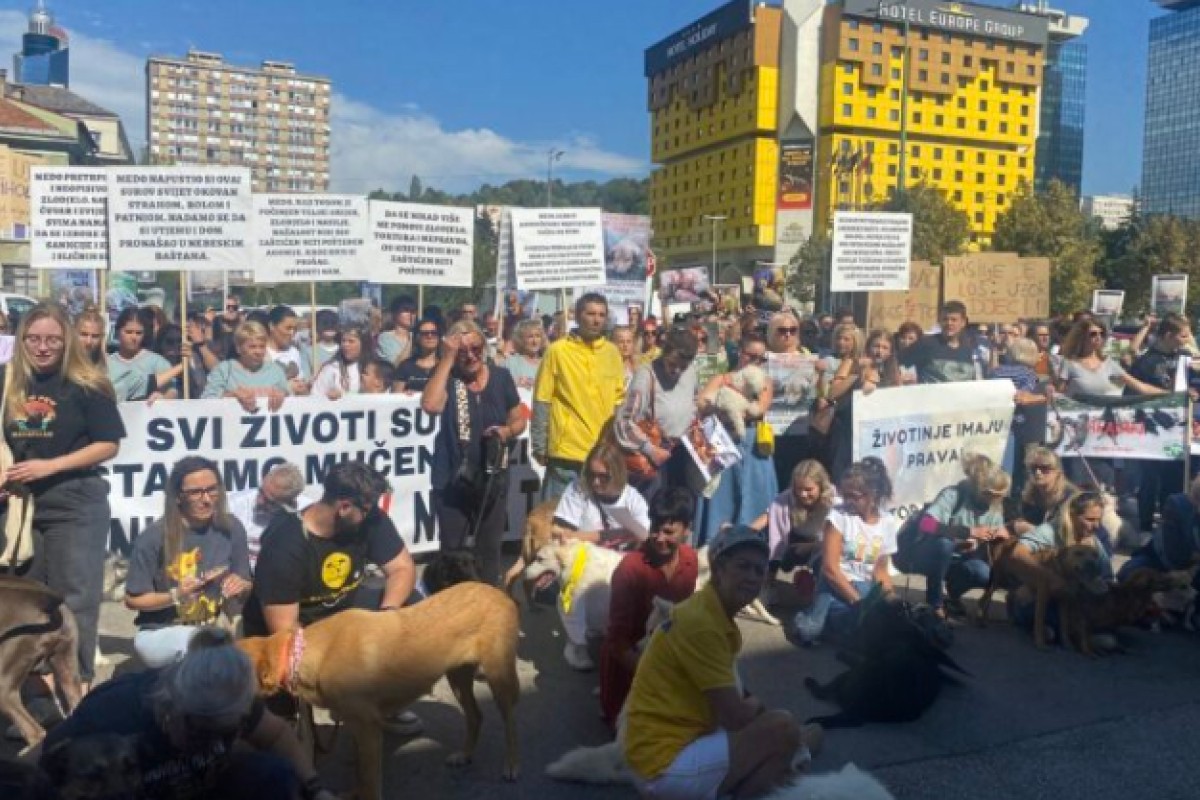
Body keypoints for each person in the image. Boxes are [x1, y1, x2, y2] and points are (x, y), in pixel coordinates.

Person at [623, 525, 820, 800]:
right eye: (743, 567)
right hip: (662, 765)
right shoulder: (703, 624)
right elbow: (736, 716)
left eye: (758, 570)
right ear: (717, 570)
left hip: (660, 747)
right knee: (783, 728)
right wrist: (756, 709)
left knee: (784, 745)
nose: (752, 577)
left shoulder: (708, 610)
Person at [41, 627, 336, 800]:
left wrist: (317, 790)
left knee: (275, 774)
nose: (211, 743)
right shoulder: (112, 711)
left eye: (225, 732)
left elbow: (277, 735)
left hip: (201, 789)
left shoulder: (226, 691)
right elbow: (45, 760)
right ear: (172, 708)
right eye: (202, 732)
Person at [243, 461, 420, 734]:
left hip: (343, 613)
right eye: (368, 506)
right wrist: (341, 664)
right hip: (292, 629)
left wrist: (388, 615)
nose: (374, 512)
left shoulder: (369, 520)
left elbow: (402, 568)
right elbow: (286, 633)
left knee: (412, 607)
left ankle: (384, 703)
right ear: (344, 507)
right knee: (279, 730)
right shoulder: (285, 546)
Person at [2, 302, 125, 690]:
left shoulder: (87, 383)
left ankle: (78, 687)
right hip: (21, 504)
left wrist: (50, 466)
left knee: (75, 599)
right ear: (22, 340)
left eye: (52, 339)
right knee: (24, 599)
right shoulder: (8, 381)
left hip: (75, 500)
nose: (42, 347)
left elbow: (108, 445)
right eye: (34, 339)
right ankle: (33, 691)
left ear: (66, 340)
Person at [422, 320, 524, 586]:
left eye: (475, 348)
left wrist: (507, 432)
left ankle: (487, 610)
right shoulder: (448, 376)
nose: (470, 355)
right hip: (453, 480)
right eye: (462, 351)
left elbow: (519, 419)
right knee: (452, 554)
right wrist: (446, 360)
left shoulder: (501, 377)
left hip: (492, 479)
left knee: (489, 553)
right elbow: (431, 406)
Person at [125, 457, 251, 668]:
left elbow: (246, 582)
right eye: (195, 492)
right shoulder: (153, 537)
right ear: (177, 497)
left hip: (213, 627)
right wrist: (176, 595)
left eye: (212, 490)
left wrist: (242, 585)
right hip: (160, 631)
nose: (207, 499)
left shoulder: (232, 528)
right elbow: (133, 600)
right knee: (205, 648)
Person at [600, 487, 700, 728]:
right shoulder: (630, 569)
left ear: (686, 530)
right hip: (631, 667)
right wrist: (654, 677)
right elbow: (617, 641)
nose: (659, 537)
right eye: (655, 528)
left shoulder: (690, 560)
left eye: (669, 532)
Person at [532, 292, 625, 501]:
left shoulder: (612, 352)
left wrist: (618, 443)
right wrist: (539, 443)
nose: (596, 319)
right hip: (566, 451)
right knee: (556, 518)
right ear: (577, 316)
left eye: (602, 314)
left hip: (602, 451)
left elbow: (620, 401)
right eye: (590, 313)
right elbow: (542, 399)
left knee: (594, 521)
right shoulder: (557, 351)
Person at [1056, 317, 1163, 491]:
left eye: (1101, 334)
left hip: (1104, 432)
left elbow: (1140, 386)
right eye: (1092, 334)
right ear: (1082, 336)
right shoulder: (1069, 364)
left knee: (1104, 483)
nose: (1097, 337)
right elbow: (1058, 395)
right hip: (1078, 434)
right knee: (1078, 483)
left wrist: (1173, 394)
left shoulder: (1109, 364)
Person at [900, 454, 1010, 620]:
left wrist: (999, 534)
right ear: (979, 488)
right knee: (944, 544)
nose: (996, 500)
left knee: (983, 573)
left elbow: (999, 529)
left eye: (1000, 496)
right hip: (926, 555)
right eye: (992, 495)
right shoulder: (953, 495)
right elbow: (926, 525)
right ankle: (934, 603)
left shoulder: (994, 507)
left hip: (959, 559)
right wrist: (968, 532)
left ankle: (953, 595)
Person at [694, 331, 777, 548]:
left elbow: (759, 409)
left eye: (761, 358)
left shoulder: (764, 382)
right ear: (741, 353)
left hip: (752, 442)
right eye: (752, 356)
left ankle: (753, 540)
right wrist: (716, 405)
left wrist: (730, 406)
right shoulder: (722, 378)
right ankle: (714, 539)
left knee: (754, 492)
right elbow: (703, 402)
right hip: (723, 440)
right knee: (722, 493)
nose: (756, 362)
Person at [816, 458, 899, 637]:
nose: (848, 501)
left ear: (873, 494)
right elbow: (830, 568)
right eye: (845, 495)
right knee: (808, 631)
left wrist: (893, 599)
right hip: (836, 582)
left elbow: (880, 571)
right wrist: (859, 603)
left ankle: (838, 619)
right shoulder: (839, 515)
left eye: (854, 496)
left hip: (864, 585)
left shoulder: (887, 522)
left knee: (886, 619)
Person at [614, 326, 699, 499]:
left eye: (683, 367)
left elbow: (692, 403)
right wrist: (649, 449)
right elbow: (624, 422)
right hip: (654, 456)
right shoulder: (646, 375)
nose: (677, 371)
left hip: (682, 454)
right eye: (672, 364)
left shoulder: (690, 372)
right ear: (664, 353)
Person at [1128, 313, 1193, 531]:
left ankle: (1170, 523)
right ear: (1168, 335)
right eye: (1182, 335)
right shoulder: (1146, 362)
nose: (1187, 339)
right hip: (1151, 428)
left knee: (1174, 478)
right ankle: (1146, 525)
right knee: (1150, 479)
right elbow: (1131, 395)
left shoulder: (1184, 356)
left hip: (1177, 428)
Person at [554, 436, 651, 548]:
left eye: (603, 476)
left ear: (617, 473)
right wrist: (616, 534)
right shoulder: (579, 488)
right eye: (592, 474)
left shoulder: (634, 500)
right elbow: (562, 534)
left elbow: (643, 537)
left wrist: (584, 536)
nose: (596, 482)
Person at [761, 460, 836, 603]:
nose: (802, 494)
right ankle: (767, 587)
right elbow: (774, 531)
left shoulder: (835, 502)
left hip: (822, 546)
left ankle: (823, 596)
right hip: (793, 543)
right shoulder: (785, 499)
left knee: (824, 557)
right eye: (798, 489)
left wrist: (812, 547)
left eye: (809, 490)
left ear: (821, 487)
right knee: (765, 542)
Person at [1119, 473, 1200, 596]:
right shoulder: (1177, 504)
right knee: (1129, 575)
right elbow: (1174, 555)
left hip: (1193, 570)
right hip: (1159, 561)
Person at [227, 462, 308, 573]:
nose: (259, 501)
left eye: (269, 501)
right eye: (260, 492)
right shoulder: (234, 505)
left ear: (290, 503)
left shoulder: (306, 514)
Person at [201, 321, 289, 412]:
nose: (258, 352)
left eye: (262, 346)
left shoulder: (275, 371)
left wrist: (282, 396)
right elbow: (206, 401)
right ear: (239, 348)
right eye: (252, 347)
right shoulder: (224, 370)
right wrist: (231, 396)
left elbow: (291, 400)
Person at [900, 300, 981, 384]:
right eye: (945, 319)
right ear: (940, 321)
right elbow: (895, 362)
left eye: (954, 320)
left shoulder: (967, 350)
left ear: (963, 322)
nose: (949, 323)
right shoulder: (926, 344)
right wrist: (901, 378)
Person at [108, 306, 178, 401]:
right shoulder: (106, 363)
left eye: (138, 333)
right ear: (118, 332)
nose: (134, 337)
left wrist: (164, 399)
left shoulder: (158, 362)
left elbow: (172, 390)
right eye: (129, 332)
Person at [311, 326, 369, 399]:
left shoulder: (372, 368)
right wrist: (328, 396)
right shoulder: (331, 368)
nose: (345, 345)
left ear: (362, 344)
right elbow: (316, 395)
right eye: (343, 341)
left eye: (351, 341)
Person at [265, 305, 310, 395]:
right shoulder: (261, 353)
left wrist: (304, 387)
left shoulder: (294, 352)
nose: (292, 333)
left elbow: (301, 380)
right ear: (272, 326)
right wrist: (286, 387)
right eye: (288, 328)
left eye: (295, 329)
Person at [394, 317, 441, 393]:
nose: (430, 336)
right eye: (424, 333)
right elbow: (395, 395)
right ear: (417, 337)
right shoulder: (405, 366)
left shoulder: (446, 365)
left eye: (434, 333)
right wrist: (404, 395)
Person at [501, 318, 545, 391]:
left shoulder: (547, 364)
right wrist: (515, 383)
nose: (535, 341)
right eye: (530, 337)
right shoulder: (511, 362)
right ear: (521, 339)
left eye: (538, 336)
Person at [376, 295, 417, 364]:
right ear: (395, 313)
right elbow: (395, 364)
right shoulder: (385, 338)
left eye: (413, 312)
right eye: (406, 310)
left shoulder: (419, 336)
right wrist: (411, 341)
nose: (410, 315)